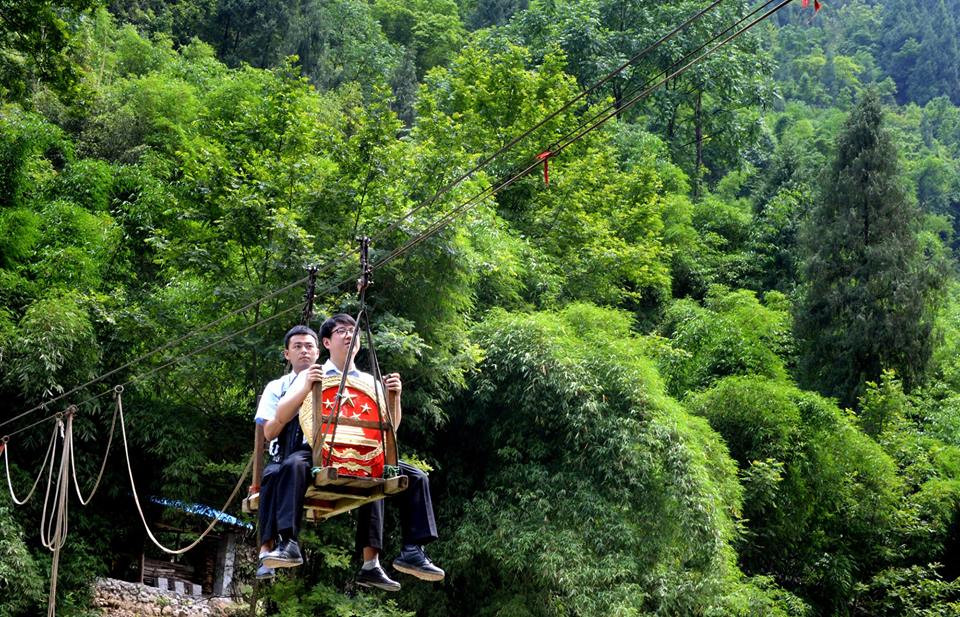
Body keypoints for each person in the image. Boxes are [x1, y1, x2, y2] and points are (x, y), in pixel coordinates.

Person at [276, 313, 444, 591]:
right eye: (341, 330)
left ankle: (412, 550)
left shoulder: (370, 381)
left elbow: (389, 430)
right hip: (321, 452)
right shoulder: (311, 374)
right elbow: (282, 414)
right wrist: (306, 385)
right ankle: (289, 543)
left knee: (416, 477)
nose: (349, 335)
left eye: (353, 330)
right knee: (292, 465)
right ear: (327, 342)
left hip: (362, 453)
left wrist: (395, 398)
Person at [253, 325, 323, 579]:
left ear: (318, 351)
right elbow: (269, 432)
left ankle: (283, 544)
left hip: (317, 454)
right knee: (273, 475)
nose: (304, 351)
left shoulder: (332, 381)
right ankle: (267, 552)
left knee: (290, 468)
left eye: (309, 346)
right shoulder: (277, 387)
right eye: (297, 347)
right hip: (283, 452)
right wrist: (302, 389)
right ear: (287, 354)